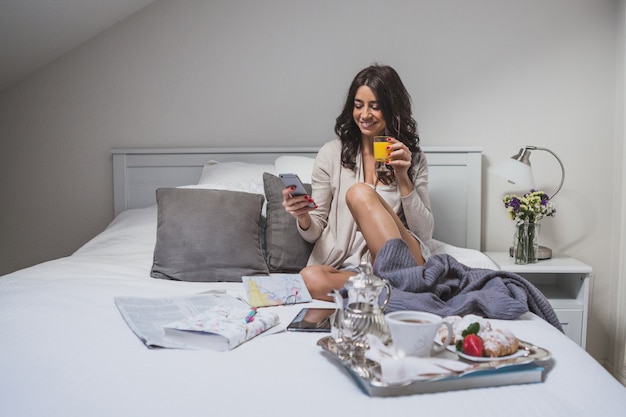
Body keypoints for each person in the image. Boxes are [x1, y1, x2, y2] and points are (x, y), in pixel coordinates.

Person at [282, 64, 434, 301]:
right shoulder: (331, 154)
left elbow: (424, 234)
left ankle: (398, 284)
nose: (365, 115)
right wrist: (302, 217)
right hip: (354, 271)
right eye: (358, 105)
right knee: (308, 278)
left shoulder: (412, 158)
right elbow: (314, 231)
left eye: (375, 106)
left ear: (392, 108)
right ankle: (390, 294)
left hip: (405, 261)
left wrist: (403, 176)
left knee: (360, 193)